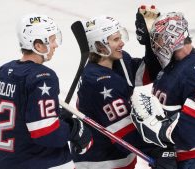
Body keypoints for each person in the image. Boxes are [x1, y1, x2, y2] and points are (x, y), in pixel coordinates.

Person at [72, 7, 177, 169]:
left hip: (119, 159)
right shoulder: (98, 81)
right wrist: (157, 150)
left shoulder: (118, 61)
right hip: (101, 163)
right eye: (115, 39)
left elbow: (150, 73)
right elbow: (123, 131)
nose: (121, 42)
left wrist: (149, 42)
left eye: (120, 37)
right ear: (100, 46)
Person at [0, 13, 93, 169]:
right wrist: (72, 129)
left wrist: (53, 116)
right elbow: (46, 133)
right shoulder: (42, 77)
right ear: (38, 46)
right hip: (42, 162)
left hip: (6, 160)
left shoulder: (3, 72)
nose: (55, 45)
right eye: (52, 40)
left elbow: (5, 114)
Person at [130, 12, 195, 169]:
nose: (156, 45)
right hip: (176, 160)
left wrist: (164, 136)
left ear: (173, 38)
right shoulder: (174, 63)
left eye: (159, 39)